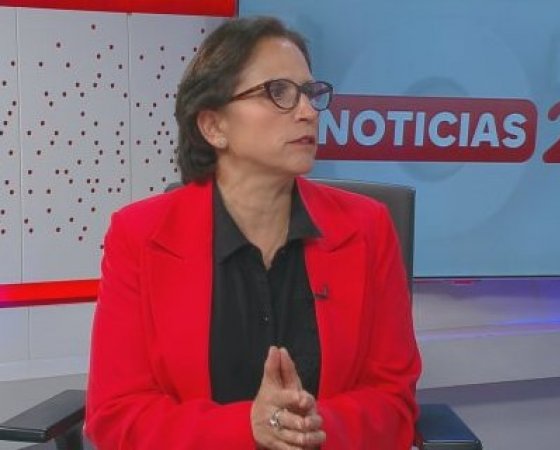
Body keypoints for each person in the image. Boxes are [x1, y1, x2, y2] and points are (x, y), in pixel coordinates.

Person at [85, 16, 421, 450]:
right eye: (278, 92)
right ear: (213, 126)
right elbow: (116, 415)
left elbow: (394, 401)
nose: (307, 111)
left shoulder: (368, 228)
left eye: (309, 93)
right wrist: (248, 428)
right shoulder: (139, 236)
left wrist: (313, 426)